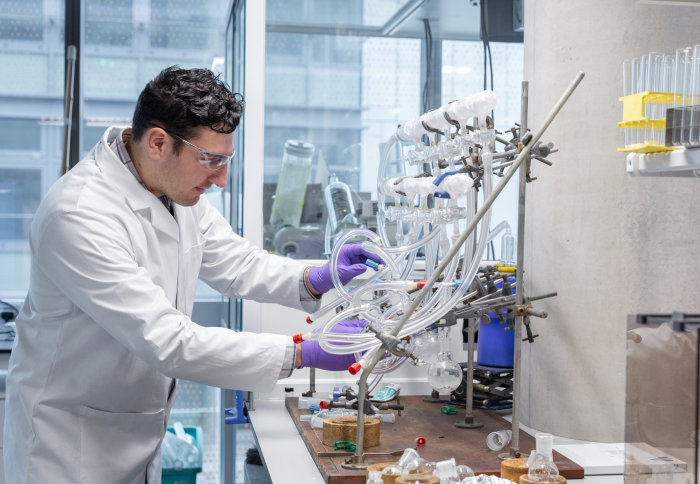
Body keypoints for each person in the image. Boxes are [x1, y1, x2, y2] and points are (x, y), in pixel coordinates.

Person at [3, 66, 381, 483]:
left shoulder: (171, 188)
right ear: (159, 142)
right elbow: (169, 340)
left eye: (225, 161)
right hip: (67, 449)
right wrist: (301, 353)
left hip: (133, 431)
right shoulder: (78, 215)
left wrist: (316, 276)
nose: (220, 179)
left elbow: (237, 263)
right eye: (210, 160)